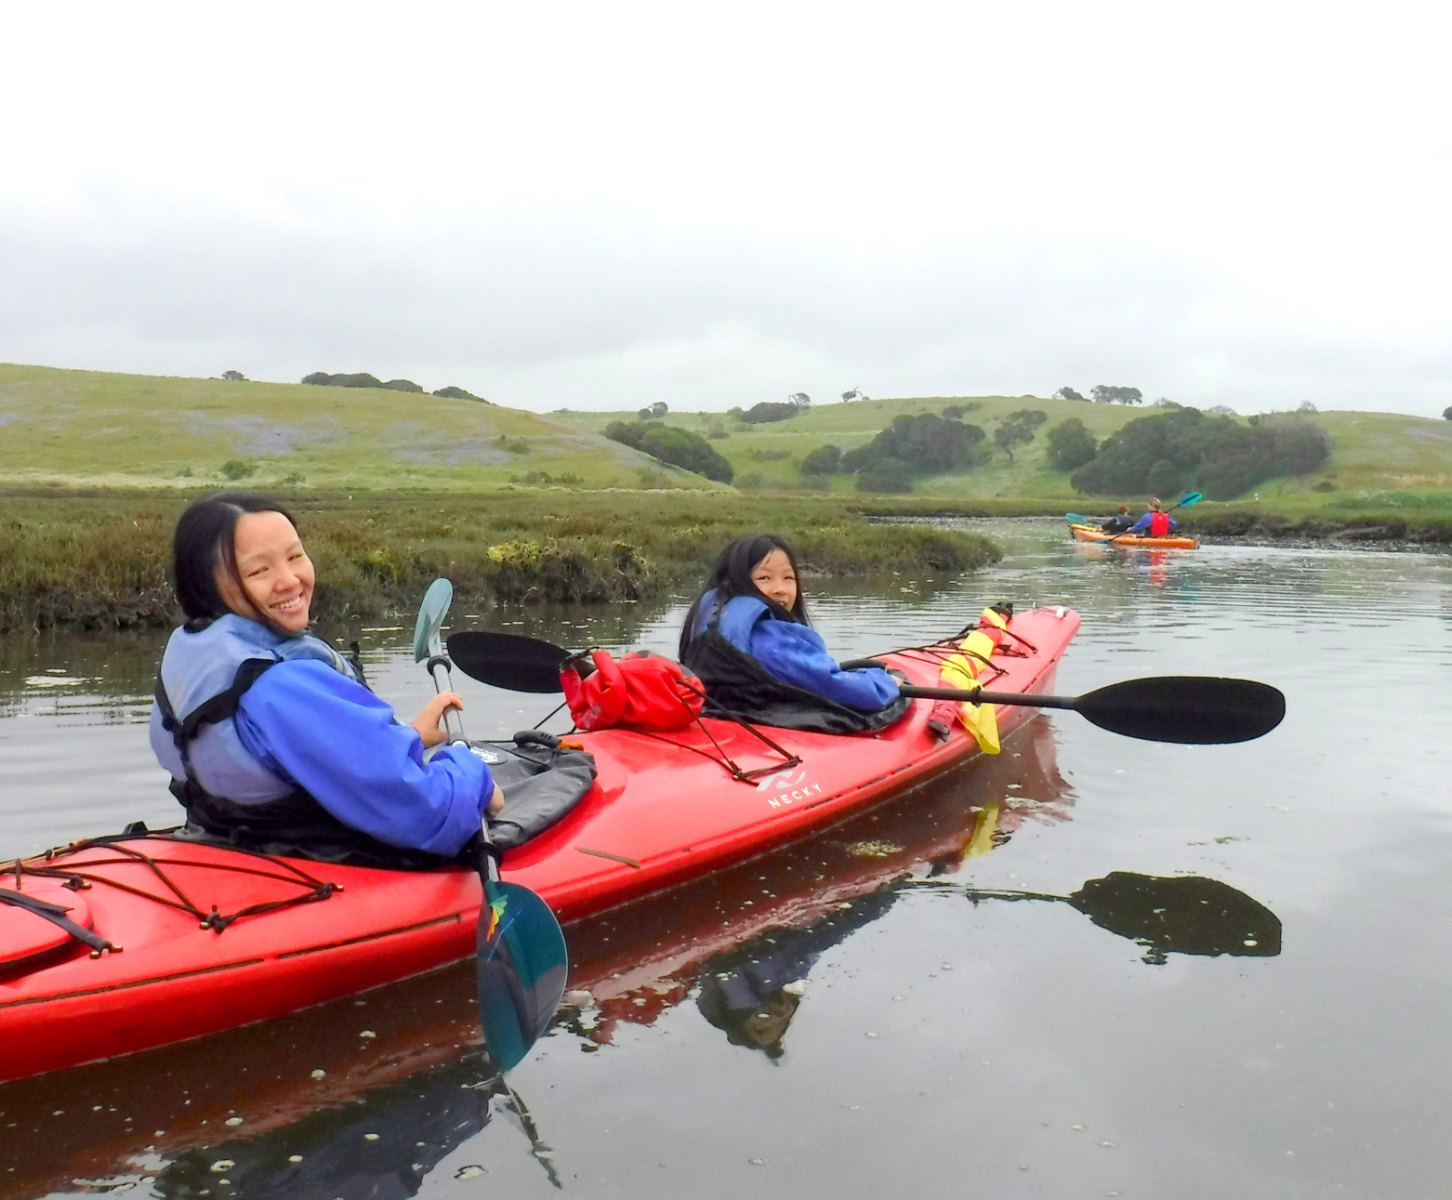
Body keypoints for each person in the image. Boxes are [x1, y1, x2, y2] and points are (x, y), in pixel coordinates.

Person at [149, 491, 503, 867]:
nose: (289, 581)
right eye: (258, 571)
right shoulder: (281, 686)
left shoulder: (195, 650)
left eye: (294, 556)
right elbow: (431, 815)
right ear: (206, 585)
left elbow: (286, 755)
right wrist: (474, 776)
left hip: (238, 841)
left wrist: (409, 736)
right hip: (318, 859)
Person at [677, 534, 908, 732]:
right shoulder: (768, 638)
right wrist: (885, 683)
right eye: (764, 578)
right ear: (735, 583)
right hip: (757, 724)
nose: (780, 589)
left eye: (789, 578)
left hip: (722, 716)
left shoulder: (709, 618)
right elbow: (834, 685)